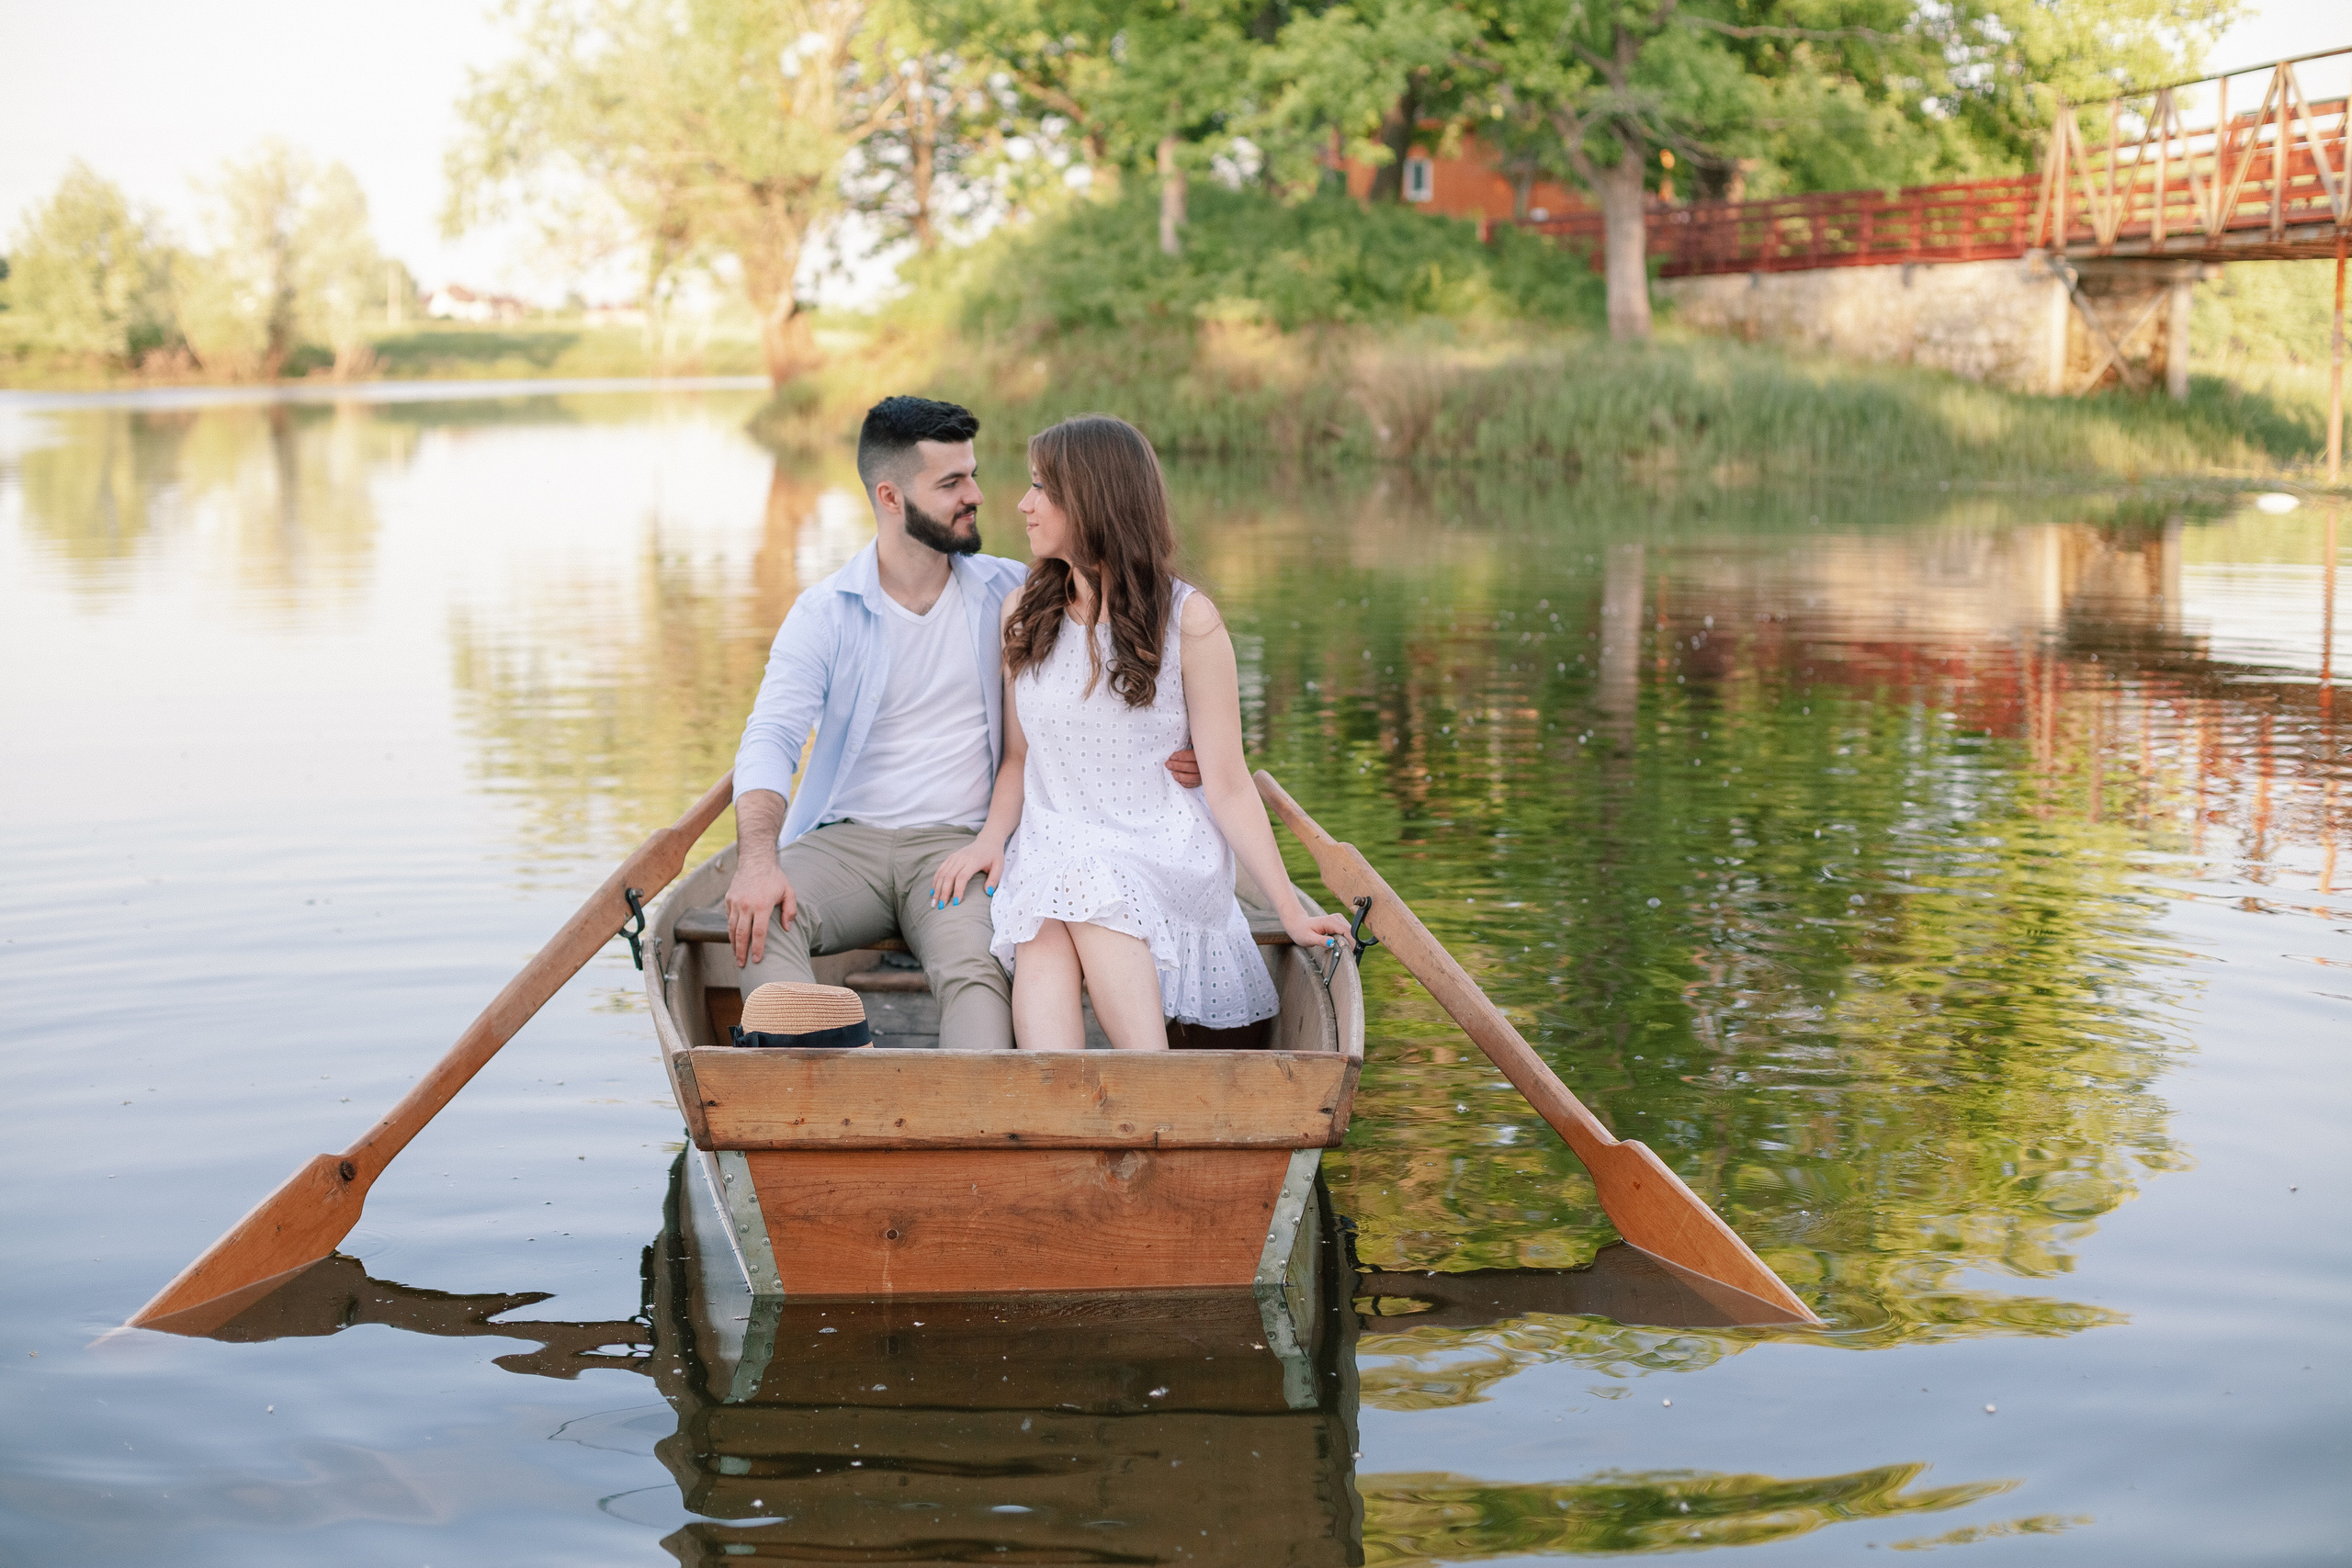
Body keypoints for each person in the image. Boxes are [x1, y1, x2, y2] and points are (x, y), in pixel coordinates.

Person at [724, 396, 1196, 1051]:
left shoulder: (1020, 596)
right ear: (891, 497)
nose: (976, 495)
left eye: (972, 474)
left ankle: (967, 1119)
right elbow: (770, 738)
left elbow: (1140, 644)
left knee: (976, 970)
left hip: (961, 850)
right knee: (758, 912)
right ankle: (815, 1079)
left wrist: (1186, 743)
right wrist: (755, 859)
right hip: (845, 844)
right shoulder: (824, 613)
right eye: (952, 483)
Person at [926, 415, 1353, 1051]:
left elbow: (1230, 784)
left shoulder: (1190, 621)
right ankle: (1066, 1118)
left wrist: (1289, 910)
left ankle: (1148, 1083)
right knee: (1043, 931)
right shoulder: (1024, 612)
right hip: (1053, 841)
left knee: (1088, 884)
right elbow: (1018, 758)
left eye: (1042, 487)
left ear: (1093, 501)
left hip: (1157, 844)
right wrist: (992, 839)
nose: (1023, 503)